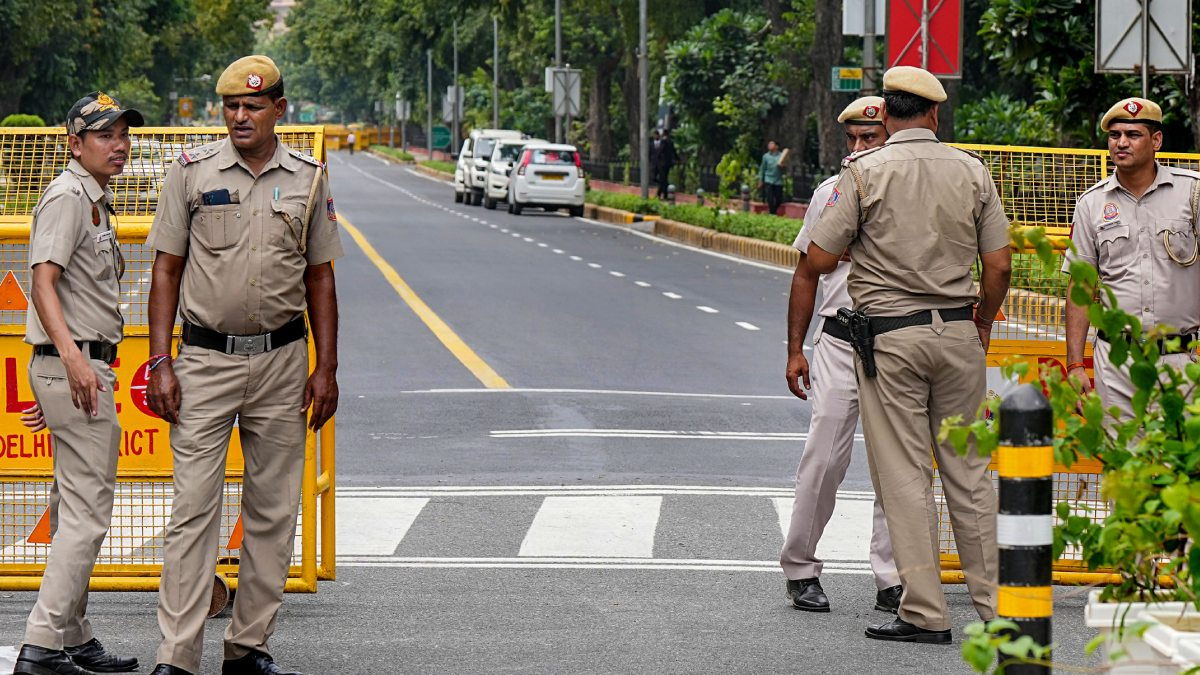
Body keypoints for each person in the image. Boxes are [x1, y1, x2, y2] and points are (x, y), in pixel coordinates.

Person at [144, 55, 342, 675]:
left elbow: (320, 278)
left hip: (283, 363)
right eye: (230, 106)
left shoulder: (308, 177)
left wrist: (327, 369)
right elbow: (166, 271)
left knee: (273, 512)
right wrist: (160, 362)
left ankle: (249, 648)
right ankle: (177, 657)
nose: (239, 116)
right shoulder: (191, 173)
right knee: (192, 513)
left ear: (278, 110)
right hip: (204, 362)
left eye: (252, 106)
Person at [806, 66, 1012, 644]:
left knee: (904, 476)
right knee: (969, 474)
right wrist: (982, 321)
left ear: (887, 115)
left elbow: (818, 259)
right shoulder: (972, 170)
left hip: (891, 340)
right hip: (959, 334)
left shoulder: (865, 171)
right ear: (935, 114)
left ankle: (924, 612)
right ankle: (998, 611)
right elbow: (999, 265)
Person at [14, 92, 143, 675]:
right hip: (79, 366)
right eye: (105, 135)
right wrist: (69, 362)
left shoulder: (93, 197)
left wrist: (60, 371)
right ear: (74, 143)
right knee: (88, 513)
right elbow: (43, 282)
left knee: (72, 507)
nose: (119, 145)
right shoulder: (68, 197)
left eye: (123, 134)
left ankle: (71, 634)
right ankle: (43, 645)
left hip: (76, 368)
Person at [781, 96, 901, 614]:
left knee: (896, 466)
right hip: (837, 340)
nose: (857, 148)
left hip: (897, 343)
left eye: (869, 138)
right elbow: (806, 273)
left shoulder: (909, 193)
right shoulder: (829, 194)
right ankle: (800, 568)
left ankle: (892, 578)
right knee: (823, 459)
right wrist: (795, 350)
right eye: (851, 138)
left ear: (892, 137)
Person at [1064, 97, 1200, 417]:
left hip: (1184, 362)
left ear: (1156, 141)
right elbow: (1081, 287)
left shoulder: (1192, 193)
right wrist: (1075, 364)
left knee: (1182, 449)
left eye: (1133, 134)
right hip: (1117, 364)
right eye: (1115, 135)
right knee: (1119, 449)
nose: (1121, 142)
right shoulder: (1091, 204)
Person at [759, 140, 785, 215]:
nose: (769, 146)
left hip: (778, 180)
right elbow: (762, 168)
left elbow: (785, 168)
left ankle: (773, 211)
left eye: (772, 144)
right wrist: (761, 180)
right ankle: (772, 213)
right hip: (768, 179)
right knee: (769, 198)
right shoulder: (766, 156)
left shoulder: (781, 156)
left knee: (779, 199)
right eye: (769, 144)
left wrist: (782, 166)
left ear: (776, 146)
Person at [651, 130, 677, 200]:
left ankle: (661, 194)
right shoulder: (670, 142)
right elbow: (674, 151)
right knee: (664, 179)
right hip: (667, 163)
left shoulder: (663, 142)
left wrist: (656, 159)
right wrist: (677, 159)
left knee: (662, 179)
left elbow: (660, 151)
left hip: (662, 163)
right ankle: (663, 194)